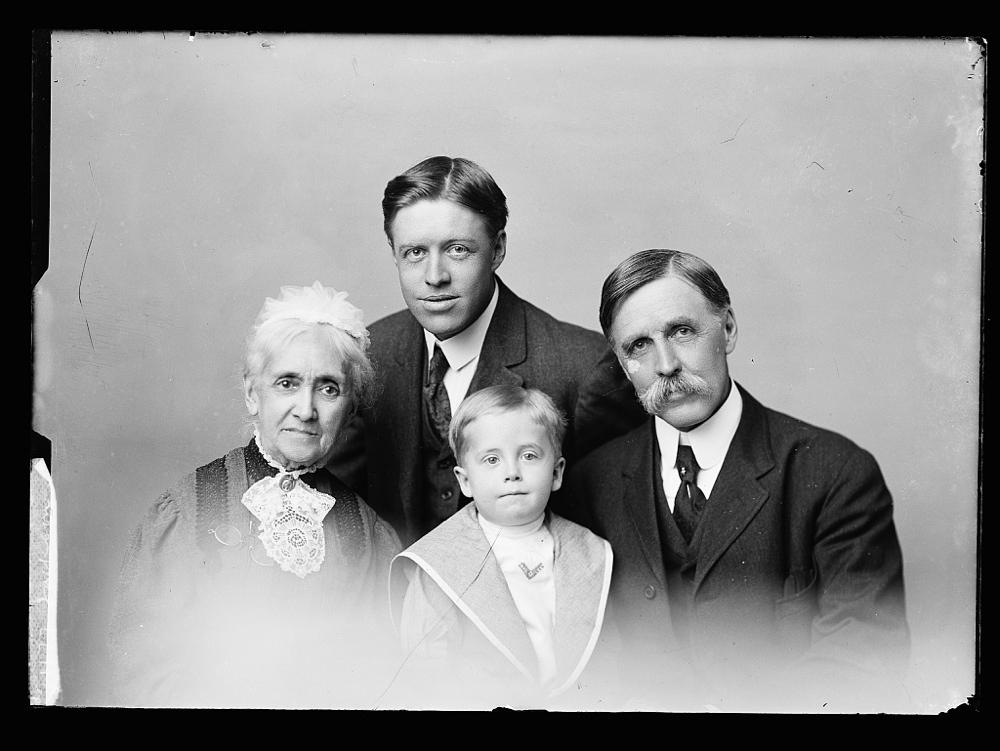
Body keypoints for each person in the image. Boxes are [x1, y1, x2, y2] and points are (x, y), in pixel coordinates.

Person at [568, 249, 909, 712]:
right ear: (622, 363)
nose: (666, 365)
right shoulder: (591, 483)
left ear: (727, 329)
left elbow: (865, 663)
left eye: (682, 331)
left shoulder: (835, 473)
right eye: (639, 346)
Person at [108, 282, 401, 709]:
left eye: (328, 388)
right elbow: (144, 674)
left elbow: (386, 679)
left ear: (351, 408)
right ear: (252, 393)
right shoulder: (188, 508)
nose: (306, 409)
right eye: (287, 383)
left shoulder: (371, 535)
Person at [327, 156, 646, 545]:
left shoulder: (583, 367)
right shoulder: (369, 354)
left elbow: (619, 537)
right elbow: (334, 506)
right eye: (414, 253)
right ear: (394, 252)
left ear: (497, 250)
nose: (434, 276)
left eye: (458, 250)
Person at [386, 386, 613, 709]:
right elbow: (427, 672)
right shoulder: (437, 564)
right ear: (464, 481)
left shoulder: (591, 553)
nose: (512, 473)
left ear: (557, 472)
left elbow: (611, 661)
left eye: (529, 456)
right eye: (491, 459)